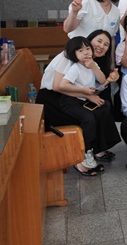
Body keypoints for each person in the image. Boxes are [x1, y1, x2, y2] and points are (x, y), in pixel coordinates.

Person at [37, 35, 120, 176]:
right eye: (99, 41)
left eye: (106, 44)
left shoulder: (90, 63)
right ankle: (80, 158)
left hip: (71, 95)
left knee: (103, 106)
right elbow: (58, 87)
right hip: (52, 98)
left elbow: (95, 86)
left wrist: (107, 81)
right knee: (87, 117)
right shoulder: (67, 58)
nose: (101, 46)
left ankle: (95, 149)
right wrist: (88, 96)